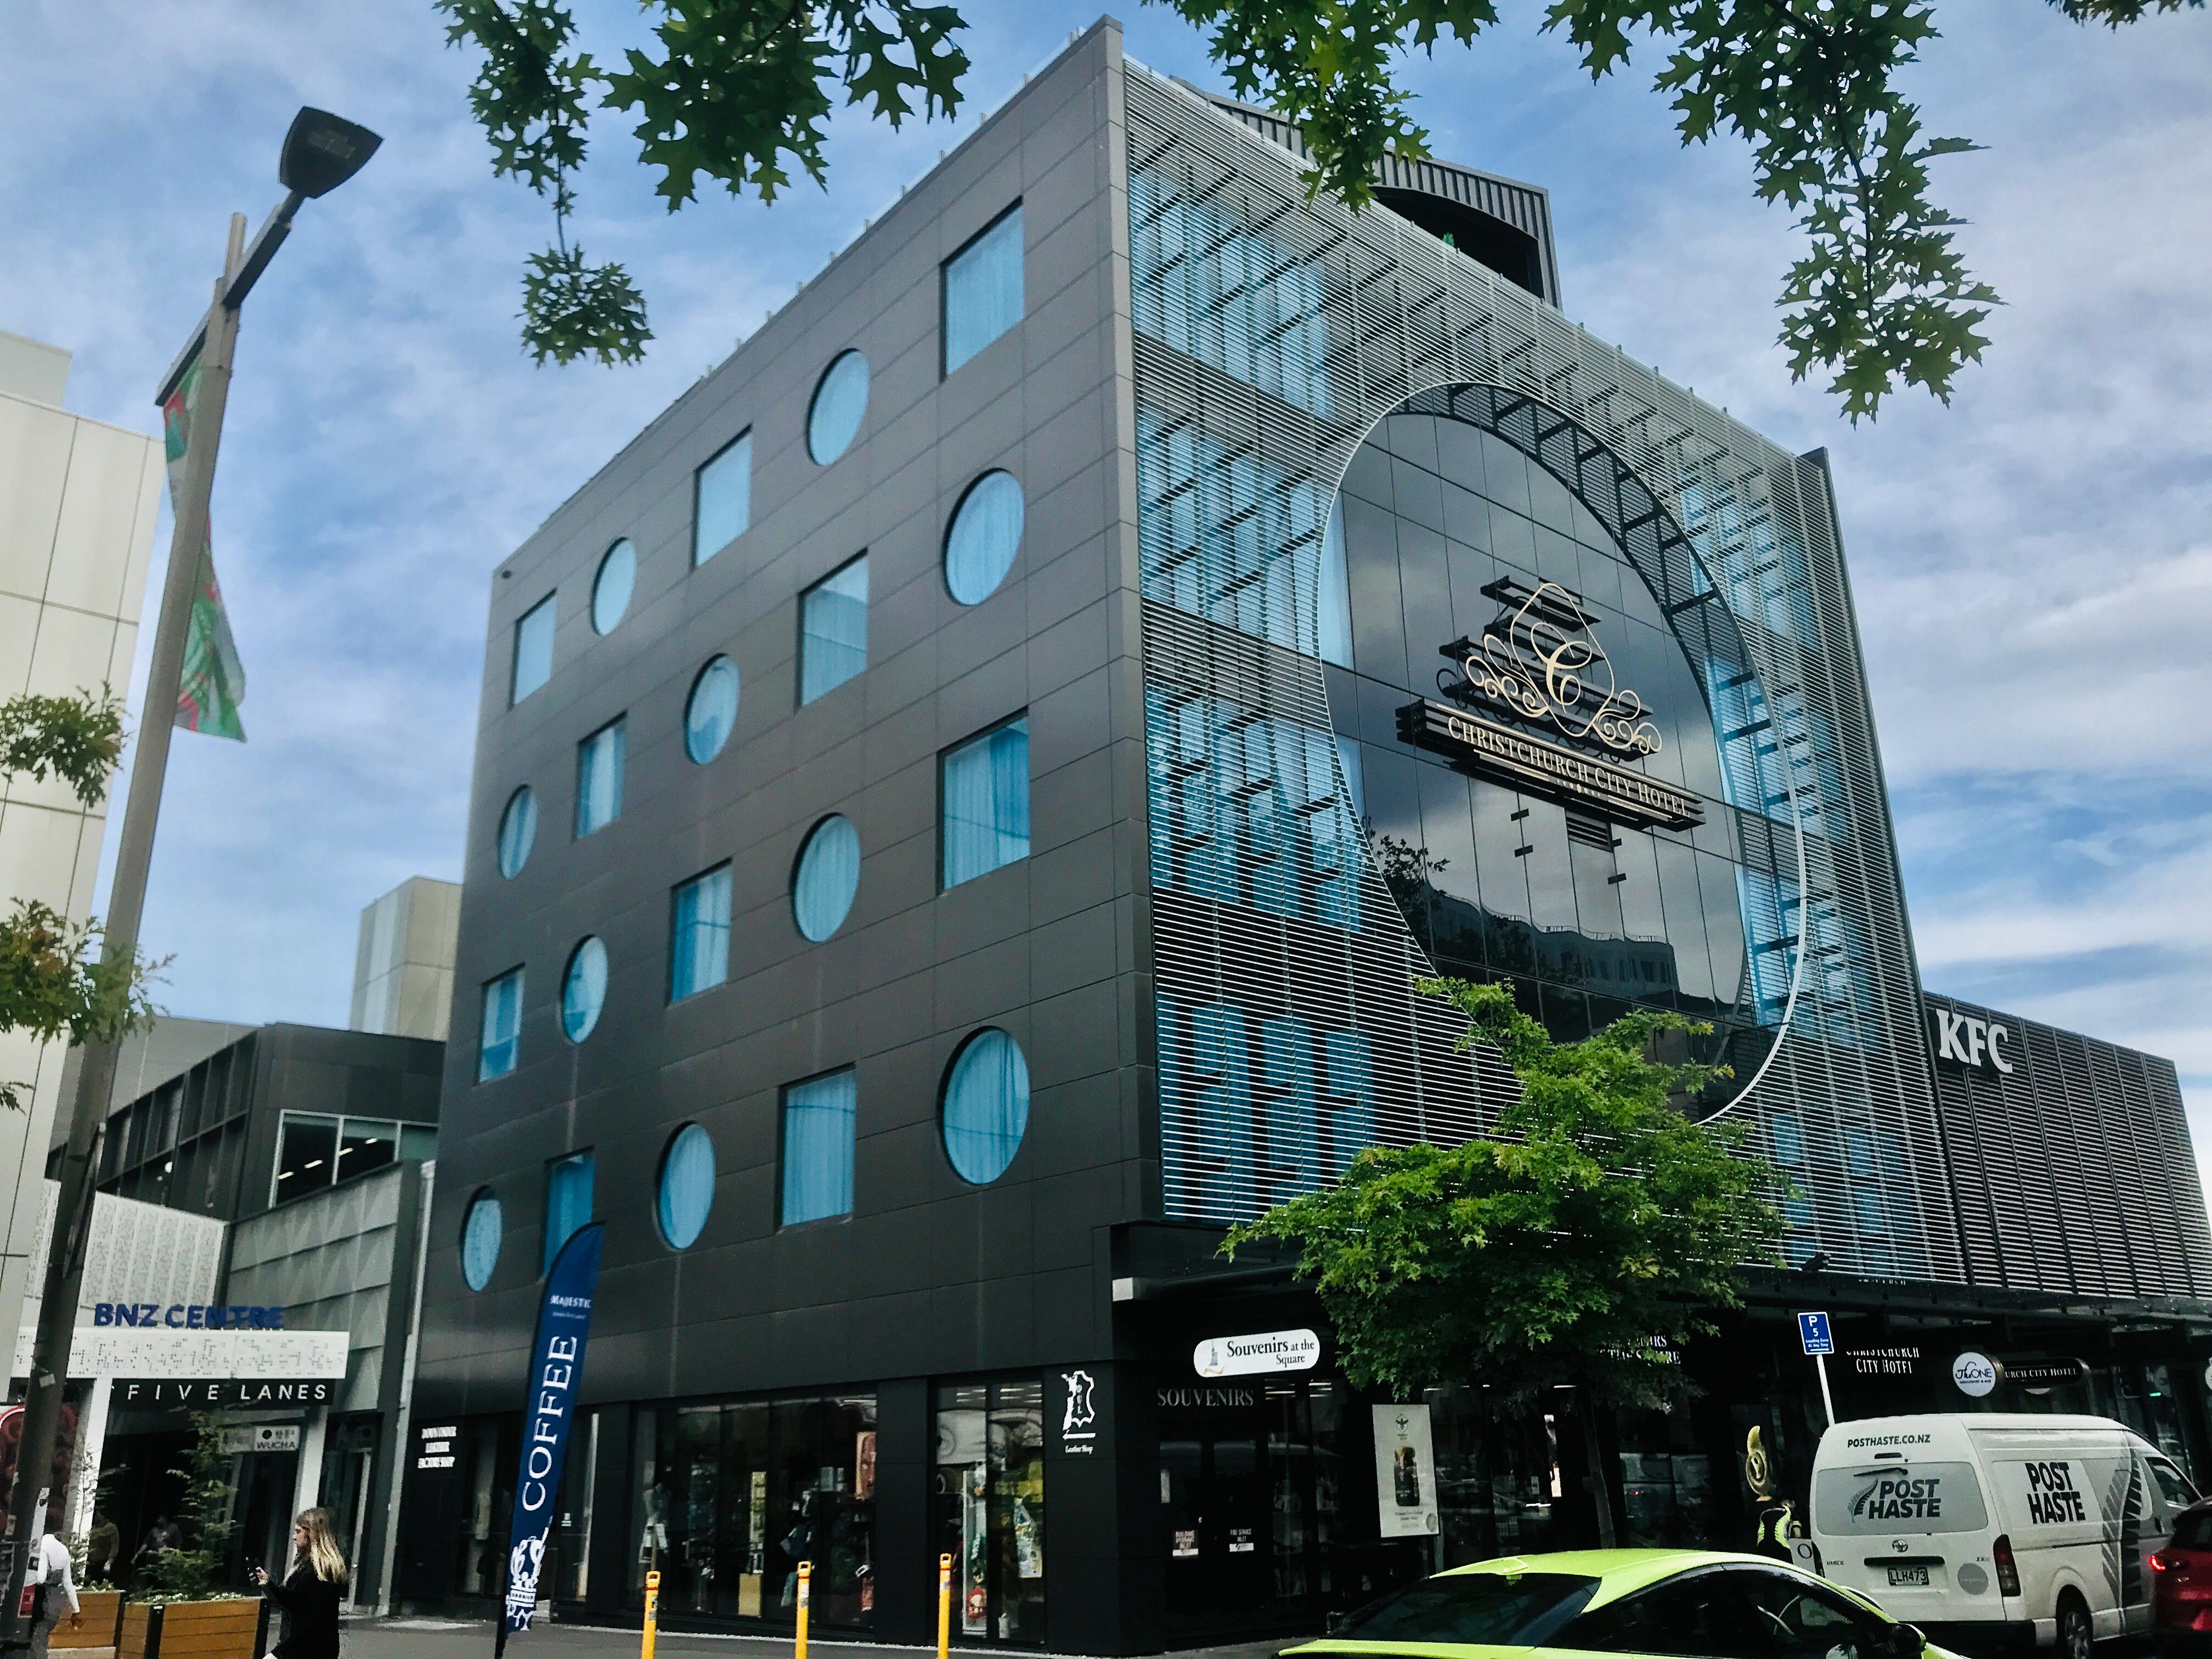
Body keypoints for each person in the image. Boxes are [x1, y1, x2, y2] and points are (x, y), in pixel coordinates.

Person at [249, 1508, 346, 1659]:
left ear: (312, 1533)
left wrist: (279, 1653)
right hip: (299, 1647)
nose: (294, 1537)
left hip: (314, 1651)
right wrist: (267, 1584)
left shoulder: (324, 1571)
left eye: (298, 1532)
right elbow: (294, 1603)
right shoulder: (304, 1564)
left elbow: (315, 1621)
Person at [22, 1516, 82, 1659]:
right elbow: (68, 1583)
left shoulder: (42, 1545)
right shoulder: (63, 1551)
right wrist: (76, 1610)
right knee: (42, 1638)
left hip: (42, 1602)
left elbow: (41, 1578)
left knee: (36, 1643)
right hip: (56, 1602)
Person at [84, 1512, 120, 1585]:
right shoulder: (92, 1528)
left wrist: (110, 1561)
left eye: (97, 1515)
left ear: (103, 1515)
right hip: (90, 1563)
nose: (95, 1517)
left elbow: (115, 1545)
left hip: (102, 1563)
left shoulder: (111, 1528)